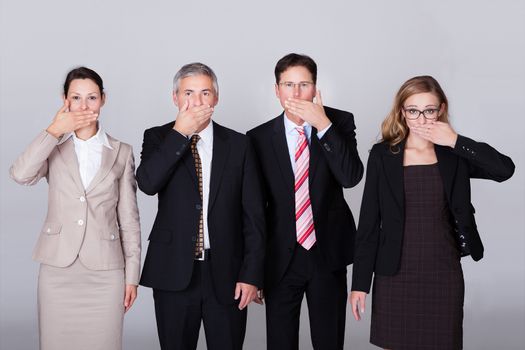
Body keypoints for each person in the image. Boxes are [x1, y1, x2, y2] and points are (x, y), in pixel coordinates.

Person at [350, 75, 515, 350]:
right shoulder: (382, 155)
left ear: (440, 110)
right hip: (395, 273)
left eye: (429, 110)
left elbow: (504, 170)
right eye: (413, 110)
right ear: (402, 112)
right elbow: (368, 224)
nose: (421, 118)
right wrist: (359, 284)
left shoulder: (454, 154)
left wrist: (455, 140)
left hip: (442, 270)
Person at [10, 67, 142, 350]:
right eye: (76, 97)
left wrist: (132, 276)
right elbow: (20, 174)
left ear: (103, 99)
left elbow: (129, 221)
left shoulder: (121, 151)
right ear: (64, 100)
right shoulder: (53, 148)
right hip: (58, 270)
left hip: (106, 273)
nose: (84, 106)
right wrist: (54, 130)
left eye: (92, 98)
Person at [137, 62, 265, 350]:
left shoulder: (239, 144)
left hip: (228, 273)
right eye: (188, 93)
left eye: (205, 93)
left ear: (216, 98)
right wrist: (180, 133)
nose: (196, 101)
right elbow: (146, 183)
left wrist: (251, 274)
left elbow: (254, 215)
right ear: (175, 98)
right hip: (173, 271)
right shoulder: (158, 137)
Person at [247, 53, 364, 350]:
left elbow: (351, 177)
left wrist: (323, 125)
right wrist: (255, 269)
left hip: (328, 254)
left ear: (315, 87)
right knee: (281, 342)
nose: (296, 93)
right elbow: (254, 210)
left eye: (304, 84)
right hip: (279, 258)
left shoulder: (338, 122)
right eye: (288, 85)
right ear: (276, 90)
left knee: (329, 341)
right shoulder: (257, 138)